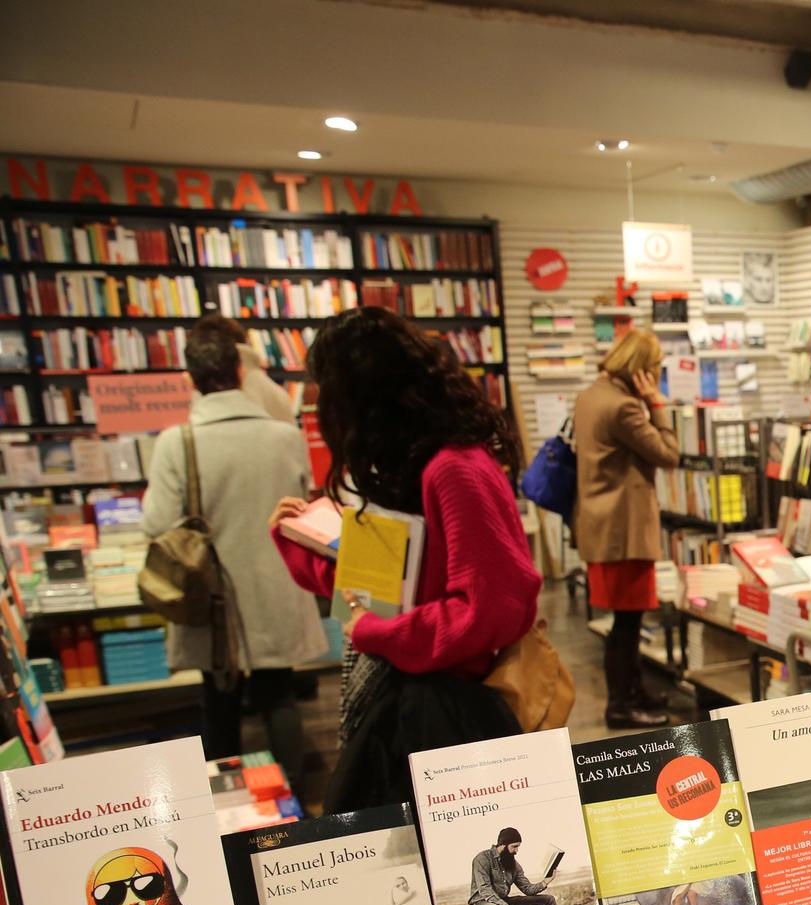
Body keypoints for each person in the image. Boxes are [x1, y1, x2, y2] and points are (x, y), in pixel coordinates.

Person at [270, 307, 540, 812]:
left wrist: (377, 631)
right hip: (407, 697)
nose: (319, 406)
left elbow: (490, 611)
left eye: (324, 389)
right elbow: (374, 589)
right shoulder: (401, 466)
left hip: (448, 715)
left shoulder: (454, 469)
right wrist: (297, 537)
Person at [142, 315, 325, 783]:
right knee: (278, 695)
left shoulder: (176, 443)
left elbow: (158, 523)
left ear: (190, 379)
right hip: (276, 584)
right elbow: (300, 506)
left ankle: (227, 805)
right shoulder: (284, 436)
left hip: (211, 594)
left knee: (218, 701)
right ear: (240, 371)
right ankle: (297, 803)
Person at [573, 329, 679, 728]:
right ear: (641, 370)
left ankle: (634, 692)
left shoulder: (591, 395)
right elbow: (668, 454)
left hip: (602, 524)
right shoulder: (624, 408)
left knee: (625, 620)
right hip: (623, 531)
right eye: (654, 369)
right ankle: (621, 704)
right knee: (626, 623)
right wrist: (657, 403)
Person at [467, 826, 562, 905]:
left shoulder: (513, 864)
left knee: (549, 900)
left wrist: (546, 882)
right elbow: (485, 891)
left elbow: (527, 889)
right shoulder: (482, 859)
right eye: (514, 846)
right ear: (502, 844)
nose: (517, 851)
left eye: (518, 847)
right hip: (483, 903)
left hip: (503, 902)